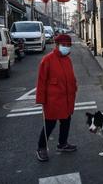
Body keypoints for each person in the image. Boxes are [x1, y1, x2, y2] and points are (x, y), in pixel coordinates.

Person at [35, 34, 78, 162]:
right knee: (49, 124)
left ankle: (62, 143)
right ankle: (41, 147)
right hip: (52, 100)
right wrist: (41, 100)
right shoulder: (47, 60)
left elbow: (71, 77)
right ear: (57, 45)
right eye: (64, 45)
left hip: (67, 98)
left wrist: (74, 87)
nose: (66, 48)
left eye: (68, 46)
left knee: (66, 121)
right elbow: (41, 81)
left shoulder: (68, 60)